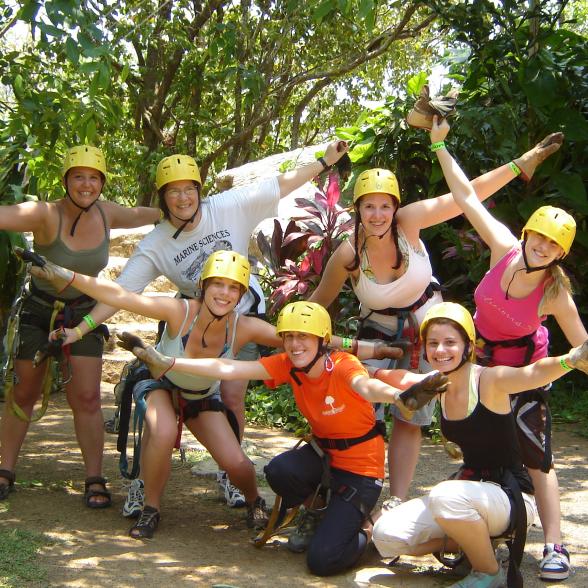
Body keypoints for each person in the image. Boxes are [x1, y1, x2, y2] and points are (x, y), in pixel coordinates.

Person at [27, 250, 409, 538]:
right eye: (218, 285)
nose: (225, 294)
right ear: (204, 286)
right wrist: (64, 274)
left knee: (238, 463)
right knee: (160, 431)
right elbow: (123, 296)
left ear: (241, 294)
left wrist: (374, 349)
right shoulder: (179, 311)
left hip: (201, 398)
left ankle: (255, 501)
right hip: (163, 384)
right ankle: (151, 507)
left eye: (233, 288)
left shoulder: (244, 328)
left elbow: (306, 337)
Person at [56, 143, 350, 509]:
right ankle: (145, 482)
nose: (183, 198)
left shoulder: (228, 206)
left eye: (189, 188)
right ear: (163, 199)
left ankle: (230, 474)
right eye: (173, 191)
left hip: (241, 319)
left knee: (232, 396)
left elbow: (280, 184)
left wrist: (324, 161)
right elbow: (121, 293)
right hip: (191, 322)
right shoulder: (157, 243)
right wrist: (81, 328)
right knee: (161, 404)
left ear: (200, 189)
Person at [308, 123, 563, 507]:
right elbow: (317, 303)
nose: (378, 214)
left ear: (395, 207)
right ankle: (346, 493)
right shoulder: (348, 254)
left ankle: (396, 499)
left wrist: (519, 165)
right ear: (356, 210)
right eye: (368, 206)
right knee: (361, 408)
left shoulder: (408, 223)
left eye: (385, 205)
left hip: (429, 328)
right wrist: (298, 338)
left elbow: (466, 196)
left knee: (412, 415)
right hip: (377, 334)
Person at [111, 300, 449, 576]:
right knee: (279, 471)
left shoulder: (343, 365)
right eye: (289, 336)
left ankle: (369, 532)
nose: (295, 344)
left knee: (322, 562)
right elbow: (229, 368)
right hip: (324, 457)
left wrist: (397, 398)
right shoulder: (288, 365)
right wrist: (166, 361)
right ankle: (317, 512)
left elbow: (367, 386)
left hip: (361, 473)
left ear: (322, 341)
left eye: (304, 336)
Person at [444, 124, 585, 581]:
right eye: (538, 237)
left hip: (524, 375)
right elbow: (465, 196)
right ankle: (480, 533)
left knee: (536, 456)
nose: (541, 247)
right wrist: (440, 143)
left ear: (560, 254)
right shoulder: (503, 248)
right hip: (481, 368)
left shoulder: (553, 293)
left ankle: (555, 546)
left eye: (552, 245)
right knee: (478, 451)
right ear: (526, 233)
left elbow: (582, 346)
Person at [372, 302, 588, 588]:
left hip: (511, 498)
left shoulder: (489, 380)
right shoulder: (436, 384)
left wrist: (571, 360)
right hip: (470, 496)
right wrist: (364, 370)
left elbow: (532, 373)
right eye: (433, 343)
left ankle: (488, 571)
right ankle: (472, 545)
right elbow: (399, 378)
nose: (440, 351)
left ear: (468, 346)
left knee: (444, 495)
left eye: (450, 342)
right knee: (386, 533)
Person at [0, 145, 160, 506]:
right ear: (66, 180)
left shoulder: (107, 213)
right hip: (39, 312)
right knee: (24, 392)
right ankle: (5, 469)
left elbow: (156, 212)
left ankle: (94, 478)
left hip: (84, 315)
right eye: (78, 177)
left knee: (86, 397)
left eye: (94, 178)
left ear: (101, 183)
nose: (86, 185)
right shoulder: (45, 213)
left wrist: (186, 205)